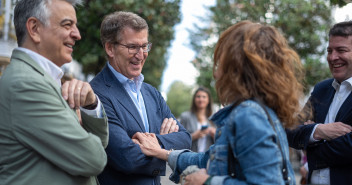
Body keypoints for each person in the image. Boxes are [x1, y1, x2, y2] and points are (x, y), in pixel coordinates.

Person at [132, 20, 304, 185]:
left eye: (220, 62)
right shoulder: (255, 110)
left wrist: (206, 181)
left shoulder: (248, 115)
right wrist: (161, 152)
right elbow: (206, 159)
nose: (216, 73)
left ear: (236, 67)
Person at [0, 0, 109, 185]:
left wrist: (91, 105)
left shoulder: (44, 79)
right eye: (67, 25)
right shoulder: (27, 84)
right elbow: (94, 159)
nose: (77, 35)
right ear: (34, 28)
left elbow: (101, 143)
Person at [89, 11, 191, 185]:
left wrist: (155, 142)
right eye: (132, 47)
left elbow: (185, 139)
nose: (141, 54)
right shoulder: (96, 94)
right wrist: (166, 154)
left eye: (144, 46)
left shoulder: (151, 93)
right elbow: (126, 158)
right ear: (110, 48)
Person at [286, 21, 352, 185]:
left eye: (341, 50)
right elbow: (290, 130)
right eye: (329, 50)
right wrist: (318, 131)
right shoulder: (321, 89)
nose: (332, 57)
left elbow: (349, 148)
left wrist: (309, 143)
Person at [179, 87, 216, 152]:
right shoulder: (185, 117)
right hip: (189, 158)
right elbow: (179, 139)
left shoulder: (213, 119)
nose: (201, 99)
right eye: (198, 96)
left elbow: (219, 143)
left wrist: (215, 135)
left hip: (207, 159)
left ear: (208, 100)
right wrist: (193, 136)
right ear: (194, 99)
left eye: (204, 97)